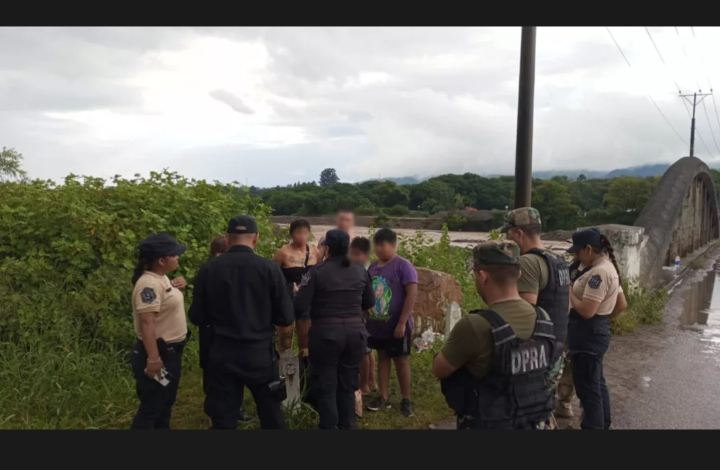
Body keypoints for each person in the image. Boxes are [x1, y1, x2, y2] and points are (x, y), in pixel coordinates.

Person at [432, 240, 556, 429]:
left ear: (482, 276)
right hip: (532, 423)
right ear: (519, 273)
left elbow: (439, 369)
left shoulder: (475, 325)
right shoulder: (543, 318)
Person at [189, 215, 295, 430]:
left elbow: (196, 316)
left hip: (222, 355)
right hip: (260, 356)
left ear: (228, 239)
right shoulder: (269, 269)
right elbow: (285, 317)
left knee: (224, 419)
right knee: (271, 412)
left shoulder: (209, 269)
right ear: (255, 239)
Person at [293, 229, 375, 429]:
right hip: (355, 334)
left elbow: (300, 307)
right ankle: (347, 425)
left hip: (326, 334)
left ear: (327, 248)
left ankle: (329, 426)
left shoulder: (316, 272)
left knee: (326, 385)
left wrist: (298, 293)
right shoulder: (360, 271)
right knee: (347, 385)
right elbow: (369, 301)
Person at [501, 207, 571, 428]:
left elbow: (524, 314)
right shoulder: (557, 260)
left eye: (508, 233)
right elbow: (565, 305)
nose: (507, 238)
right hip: (556, 346)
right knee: (543, 406)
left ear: (519, 234)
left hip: (535, 353)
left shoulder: (529, 262)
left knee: (529, 413)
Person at [566, 227, 625, 430]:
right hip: (595, 330)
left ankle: (593, 427)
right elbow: (621, 304)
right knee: (596, 383)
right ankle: (603, 423)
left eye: (578, 251)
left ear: (589, 249)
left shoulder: (598, 273)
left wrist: (569, 292)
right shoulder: (609, 268)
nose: (576, 256)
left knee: (587, 389)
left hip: (586, 334)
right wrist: (604, 318)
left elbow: (586, 311)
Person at [130, 233, 189, 430]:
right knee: (152, 408)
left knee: (164, 405)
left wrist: (176, 287)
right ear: (162, 260)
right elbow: (147, 323)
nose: (178, 257)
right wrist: (154, 359)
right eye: (174, 255)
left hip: (170, 353)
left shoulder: (161, 278)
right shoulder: (148, 284)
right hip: (158, 354)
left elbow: (164, 303)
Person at [199, 235, 254, 424]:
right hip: (218, 333)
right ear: (220, 252)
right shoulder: (214, 270)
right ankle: (221, 411)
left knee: (216, 373)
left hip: (213, 333)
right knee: (220, 376)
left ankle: (222, 410)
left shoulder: (209, 269)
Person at [365, 228, 418, 418]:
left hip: (398, 325)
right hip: (377, 324)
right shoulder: (372, 267)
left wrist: (402, 322)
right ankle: (384, 397)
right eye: (377, 245)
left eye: (383, 245)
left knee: (401, 361)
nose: (379, 249)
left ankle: (406, 399)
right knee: (383, 359)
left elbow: (411, 295)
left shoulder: (403, 266)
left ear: (394, 245)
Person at [273, 219, 322, 355]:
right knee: (285, 340)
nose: (302, 237)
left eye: (305, 233)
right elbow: (273, 276)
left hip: (306, 300)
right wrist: (288, 287)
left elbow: (319, 273)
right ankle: (284, 370)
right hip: (287, 299)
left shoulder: (315, 252)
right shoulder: (282, 253)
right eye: (298, 233)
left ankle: (304, 371)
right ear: (291, 234)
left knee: (305, 339)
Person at [349, 236, 378, 398]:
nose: (353, 258)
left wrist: (362, 314)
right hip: (364, 314)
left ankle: (365, 385)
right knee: (368, 350)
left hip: (363, 315)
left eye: (357, 254)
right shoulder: (365, 268)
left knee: (364, 352)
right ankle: (372, 381)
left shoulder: (365, 271)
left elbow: (368, 298)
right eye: (351, 254)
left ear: (367, 255)